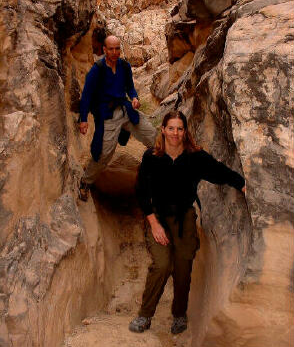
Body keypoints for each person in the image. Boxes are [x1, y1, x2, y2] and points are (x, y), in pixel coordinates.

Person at [129, 110, 245, 335]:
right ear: (162, 130)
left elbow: (218, 171)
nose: (175, 133)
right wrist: (153, 224)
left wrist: (241, 183)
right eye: (170, 128)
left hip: (185, 218)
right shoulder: (151, 157)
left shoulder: (195, 157)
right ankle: (145, 314)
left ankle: (179, 314)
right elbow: (141, 192)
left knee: (183, 266)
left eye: (179, 128)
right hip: (158, 218)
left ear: (185, 132)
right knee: (161, 265)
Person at [79, 35, 156, 201]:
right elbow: (86, 96)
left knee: (152, 134)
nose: (115, 52)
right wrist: (83, 119)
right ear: (104, 50)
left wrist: (134, 98)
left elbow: (130, 87)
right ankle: (86, 182)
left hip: (125, 109)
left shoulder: (124, 66)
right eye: (111, 49)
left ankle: (160, 174)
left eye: (117, 48)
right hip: (108, 115)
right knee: (104, 153)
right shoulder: (97, 70)